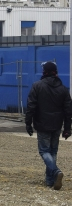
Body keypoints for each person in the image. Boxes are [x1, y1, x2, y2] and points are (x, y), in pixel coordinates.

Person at [25, 61, 72, 190]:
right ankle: (50, 180)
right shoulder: (63, 89)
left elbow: (31, 106)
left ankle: (56, 172)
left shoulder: (37, 86)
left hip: (42, 124)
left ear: (44, 72)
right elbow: (68, 111)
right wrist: (67, 128)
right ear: (55, 72)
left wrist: (28, 123)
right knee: (53, 151)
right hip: (57, 125)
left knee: (44, 151)